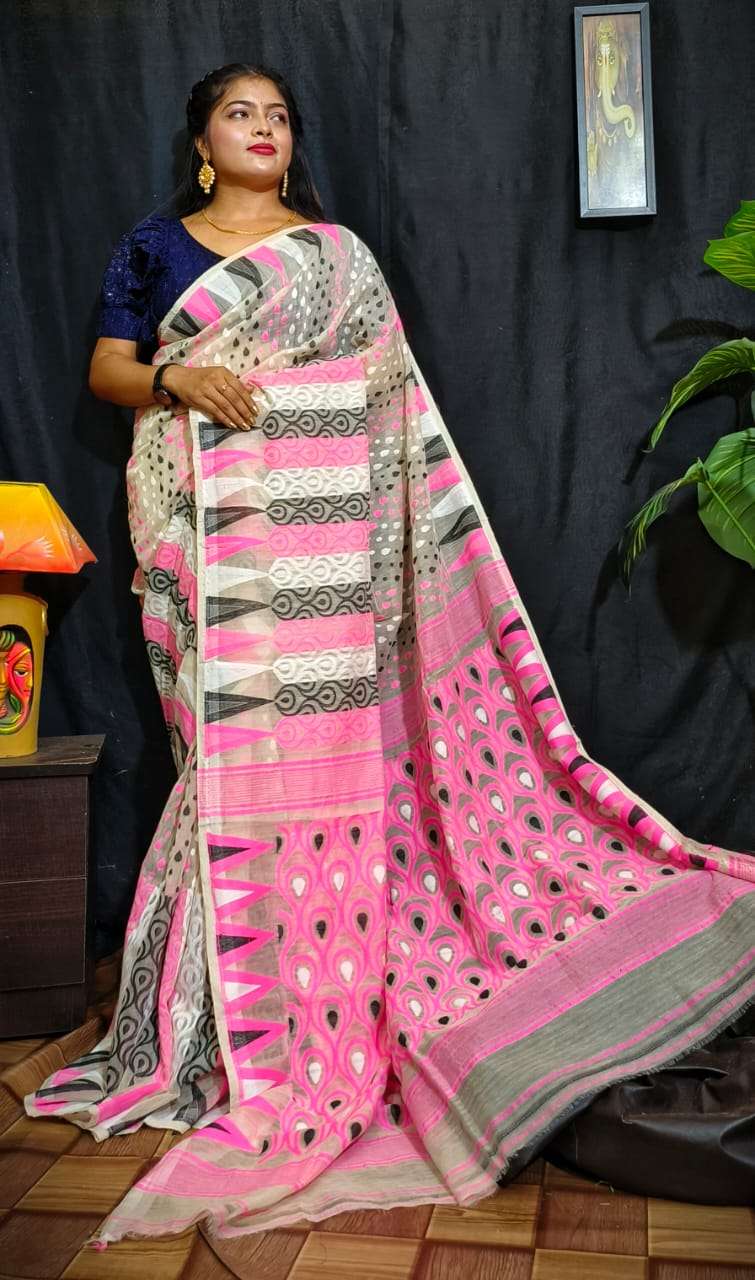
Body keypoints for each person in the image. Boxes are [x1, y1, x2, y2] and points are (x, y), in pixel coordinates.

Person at [24, 61, 755, 1249]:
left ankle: (316, 993)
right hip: (196, 526)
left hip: (328, 545)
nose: (262, 128)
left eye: (277, 115)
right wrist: (180, 375)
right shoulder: (155, 248)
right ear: (202, 143)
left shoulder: (336, 257)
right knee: (224, 762)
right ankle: (215, 1019)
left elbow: (384, 398)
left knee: (321, 756)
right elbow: (110, 371)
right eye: (239, 115)